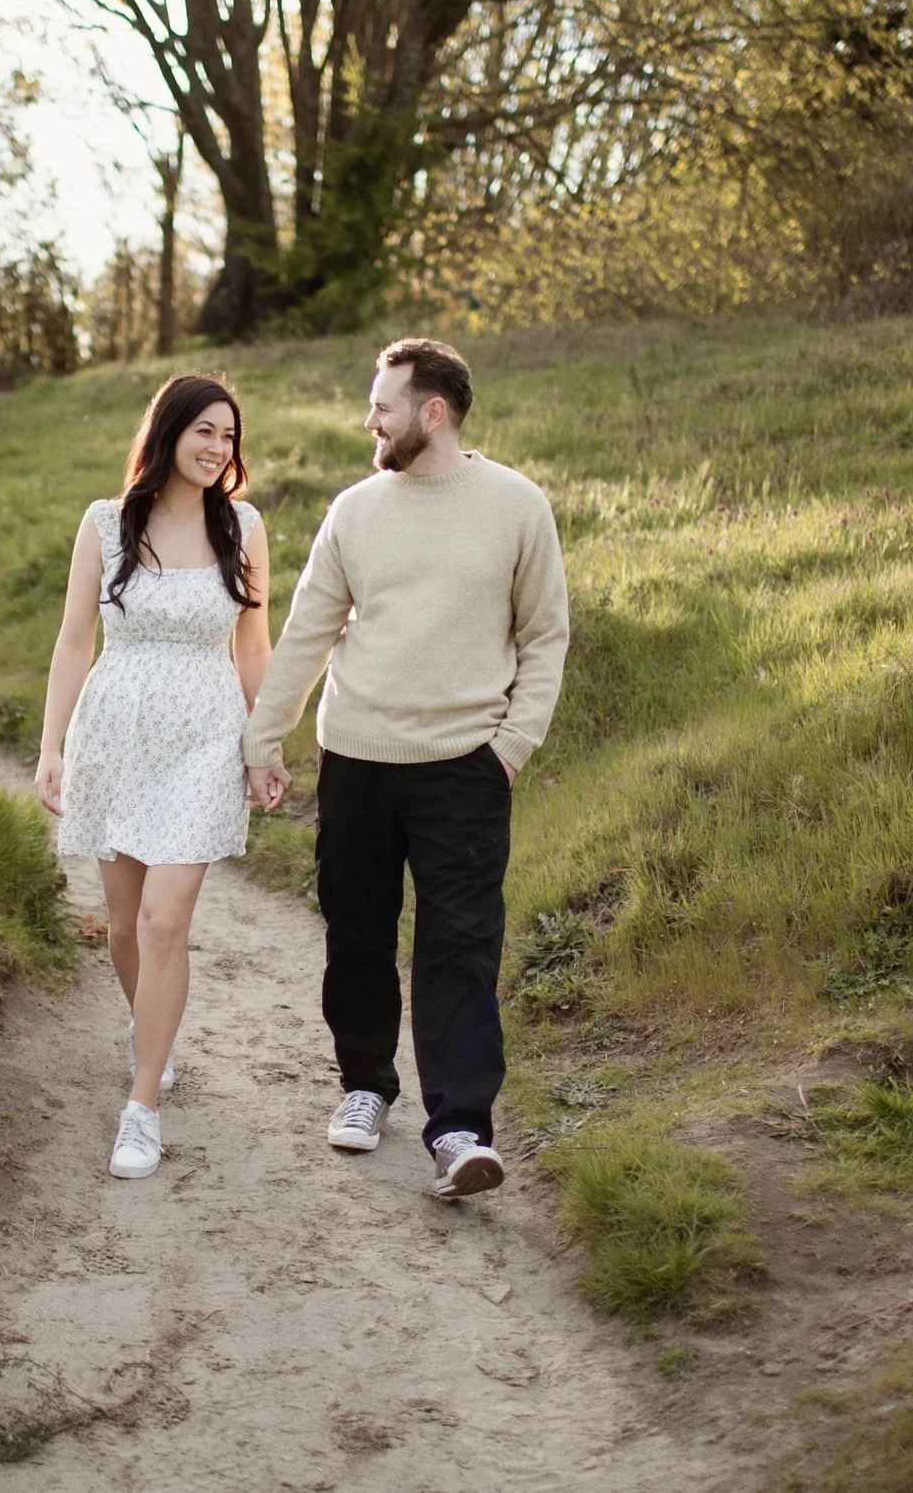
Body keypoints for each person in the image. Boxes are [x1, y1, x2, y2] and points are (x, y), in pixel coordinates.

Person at [243, 338, 569, 1200]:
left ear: (434, 411)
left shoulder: (516, 506)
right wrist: (263, 736)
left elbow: (544, 636)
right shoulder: (355, 510)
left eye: (382, 405)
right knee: (356, 933)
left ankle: (459, 1128)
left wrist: (510, 748)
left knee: (460, 946)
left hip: (466, 764)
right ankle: (364, 1085)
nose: (369, 420)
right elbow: (309, 629)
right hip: (356, 756)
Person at [36, 373, 273, 1180]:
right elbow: (74, 641)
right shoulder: (107, 523)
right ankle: (154, 1034)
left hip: (205, 737)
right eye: (205, 431)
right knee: (127, 922)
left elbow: (252, 648)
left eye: (229, 437)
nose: (218, 449)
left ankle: (142, 1105)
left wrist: (264, 743)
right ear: (170, 430)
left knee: (167, 921)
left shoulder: (243, 526)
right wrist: (51, 745)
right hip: (116, 730)